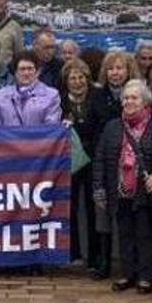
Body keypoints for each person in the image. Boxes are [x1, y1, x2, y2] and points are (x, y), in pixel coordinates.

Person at [93, 80, 152, 294]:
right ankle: (127, 273)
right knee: (125, 233)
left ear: (145, 102)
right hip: (120, 189)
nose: (128, 101)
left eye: (134, 97)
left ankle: (146, 276)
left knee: (146, 233)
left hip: (146, 190)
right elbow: (100, 158)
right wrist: (99, 187)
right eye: (126, 98)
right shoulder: (113, 126)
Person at [60, 59, 99, 269]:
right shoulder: (60, 102)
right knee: (70, 207)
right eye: (72, 78)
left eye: (81, 77)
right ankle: (73, 253)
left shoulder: (97, 98)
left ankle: (94, 257)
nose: (77, 82)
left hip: (92, 159)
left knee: (93, 208)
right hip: (70, 160)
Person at [0, 52, 62, 127]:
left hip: (39, 138)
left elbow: (51, 127)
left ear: (38, 72)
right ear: (15, 72)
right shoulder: (1, 95)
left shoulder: (51, 95)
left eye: (30, 69)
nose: (26, 73)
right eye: (22, 69)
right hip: (7, 139)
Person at [89, 50, 137, 134]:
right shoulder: (96, 95)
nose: (115, 73)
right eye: (110, 69)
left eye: (119, 68)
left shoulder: (138, 94)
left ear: (128, 71)